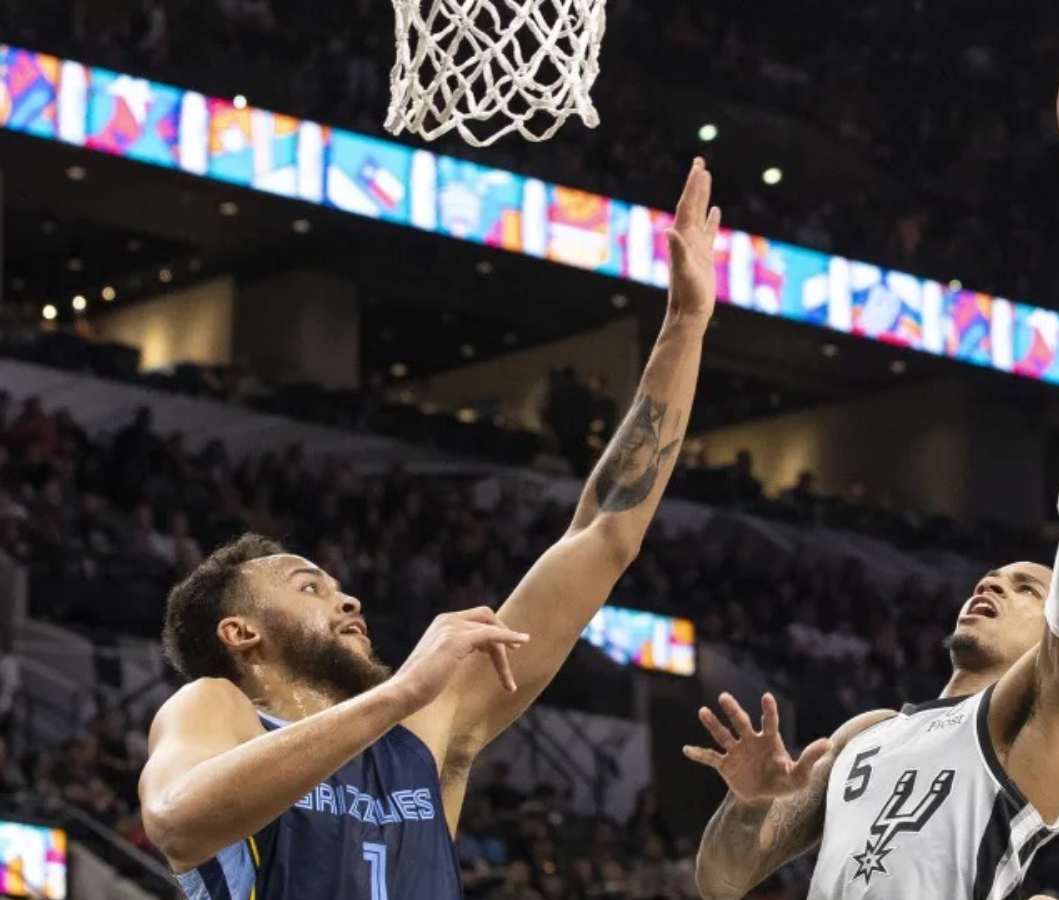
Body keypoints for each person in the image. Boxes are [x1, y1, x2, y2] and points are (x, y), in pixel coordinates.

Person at [136, 158, 724, 900]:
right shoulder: (217, 705)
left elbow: (603, 533)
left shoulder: (427, 729)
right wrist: (401, 690)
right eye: (309, 586)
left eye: (340, 587)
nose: (347, 601)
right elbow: (176, 821)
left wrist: (684, 326)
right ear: (240, 634)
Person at [684, 162, 1059, 899]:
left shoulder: (1031, 719)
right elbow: (720, 879)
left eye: (1026, 586)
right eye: (990, 577)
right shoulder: (865, 734)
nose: (994, 582)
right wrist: (746, 805)